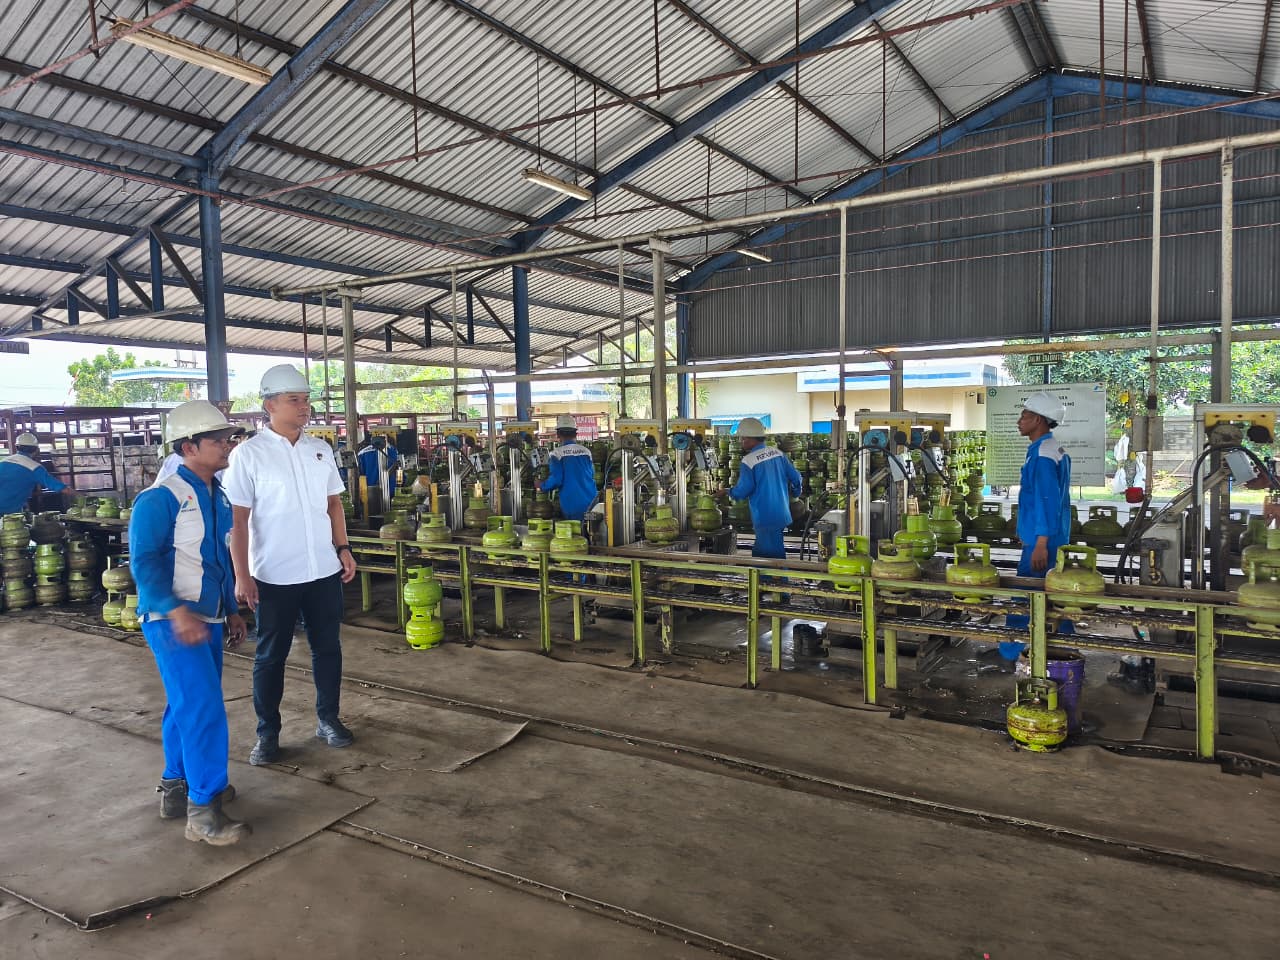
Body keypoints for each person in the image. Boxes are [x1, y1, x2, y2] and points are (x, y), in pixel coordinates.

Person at [129, 400, 250, 846]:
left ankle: (176, 786)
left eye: (228, 439)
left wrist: (231, 609)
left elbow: (217, 560)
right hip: (172, 620)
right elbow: (143, 562)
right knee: (203, 708)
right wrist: (176, 610)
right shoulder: (159, 499)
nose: (227, 446)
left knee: (186, 703)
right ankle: (203, 809)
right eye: (218, 440)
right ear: (188, 447)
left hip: (208, 617)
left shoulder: (218, 496)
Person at [224, 364, 358, 766]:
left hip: (322, 571)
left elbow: (333, 504)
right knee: (271, 655)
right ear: (269, 405)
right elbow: (238, 522)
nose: (304, 407)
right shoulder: (248, 455)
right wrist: (242, 575)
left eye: (306, 400)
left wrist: (343, 548)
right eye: (293, 400)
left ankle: (328, 719)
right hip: (274, 575)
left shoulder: (320, 450)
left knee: (327, 649)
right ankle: (267, 733)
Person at [1003, 392, 1073, 656]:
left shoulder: (1043, 454)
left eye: (1025, 416)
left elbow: (1046, 499)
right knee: (1052, 593)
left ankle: (1013, 651)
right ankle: (1063, 646)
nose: (1019, 421)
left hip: (1043, 541)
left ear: (1039, 420)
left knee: (1026, 595)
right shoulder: (1049, 449)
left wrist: (1041, 542)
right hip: (1049, 536)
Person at [725, 417, 802, 559]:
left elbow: (744, 490)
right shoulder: (778, 453)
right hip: (782, 513)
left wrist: (728, 492)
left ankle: (777, 574)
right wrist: (796, 492)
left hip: (765, 516)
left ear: (748, 438)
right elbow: (796, 477)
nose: (741, 441)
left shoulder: (749, 461)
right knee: (774, 551)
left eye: (741, 438)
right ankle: (778, 572)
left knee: (766, 558)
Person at [541, 414, 596, 521]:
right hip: (592, 502)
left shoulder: (556, 454)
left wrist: (542, 485)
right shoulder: (586, 452)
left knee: (575, 531)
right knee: (591, 529)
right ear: (576, 433)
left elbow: (556, 479)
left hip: (572, 504)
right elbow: (591, 474)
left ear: (558, 434)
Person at [0, 433, 72, 513]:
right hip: (9, 512)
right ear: (36, 450)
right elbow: (59, 487)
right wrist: (79, 495)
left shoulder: (2, 462)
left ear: (17, 447)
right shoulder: (35, 468)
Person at [356, 434, 394, 512]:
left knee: (371, 514)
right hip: (390, 493)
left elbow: (360, 473)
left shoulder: (362, 453)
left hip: (370, 492)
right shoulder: (392, 451)